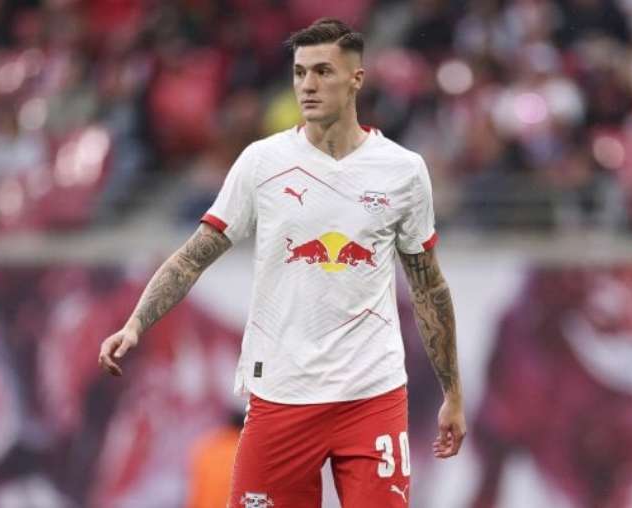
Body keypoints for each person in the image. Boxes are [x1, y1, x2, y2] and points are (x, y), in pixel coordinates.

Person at [98, 18, 466, 507]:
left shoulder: (402, 170)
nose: (307, 85)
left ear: (356, 79)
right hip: (281, 394)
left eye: (323, 71)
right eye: (299, 72)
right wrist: (136, 323)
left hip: (371, 396)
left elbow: (428, 287)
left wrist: (452, 393)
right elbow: (192, 257)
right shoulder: (262, 162)